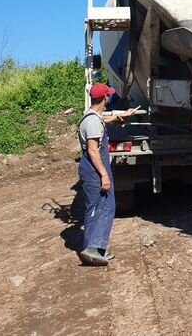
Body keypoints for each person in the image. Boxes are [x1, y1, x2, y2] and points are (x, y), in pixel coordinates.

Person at [77, 83, 135, 266]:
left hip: (94, 169)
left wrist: (119, 117)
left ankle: (98, 248)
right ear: (104, 98)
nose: (109, 97)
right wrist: (104, 175)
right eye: (108, 95)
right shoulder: (93, 122)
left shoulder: (93, 117)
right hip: (95, 171)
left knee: (107, 207)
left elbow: (102, 121)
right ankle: (91, 250)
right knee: (97, 209)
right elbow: (93, 151)